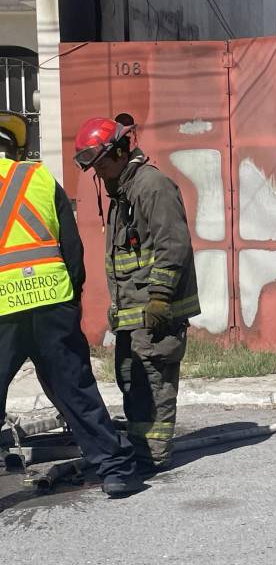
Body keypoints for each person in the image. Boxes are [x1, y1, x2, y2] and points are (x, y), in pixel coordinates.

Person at [0, 112, 143, 497]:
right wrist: (70, 297)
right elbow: (72, 247)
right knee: (76, 389)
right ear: (14, 148)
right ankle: (114, 471)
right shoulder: (40, 178)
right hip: (53, 303)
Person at [73, 115, 199, 471]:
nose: (99, 174)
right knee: (133, 384)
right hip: (135, 315)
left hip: (156, 313)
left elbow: (172, 246)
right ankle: (142, 452)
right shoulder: (124, 193)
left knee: (154, 387)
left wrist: (160, 297)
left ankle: (153, 458)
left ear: (119, 150)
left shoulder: (151, 187)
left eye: (100, 164)